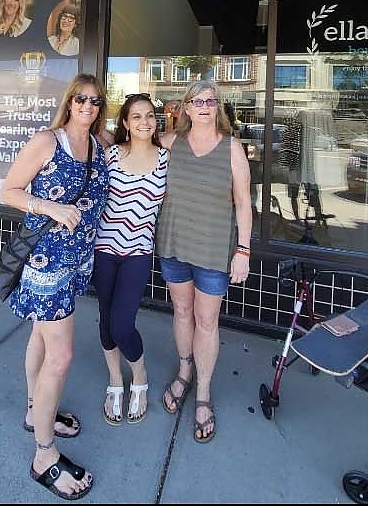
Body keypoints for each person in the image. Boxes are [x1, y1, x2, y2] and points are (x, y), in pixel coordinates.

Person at [1, 73, 109, 500]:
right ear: (69, 101)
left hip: (78, 263)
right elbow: (8, 189)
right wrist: (46, 205)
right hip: (47, 266)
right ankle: (44, 455)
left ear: (102, 107)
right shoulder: (47, 141)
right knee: (61, 356)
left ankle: (34, 412)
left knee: (42, 342)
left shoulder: (98, 148)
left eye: (96, 100)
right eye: (80, 98)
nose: (87, 105)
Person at [156, 79, 252, 443]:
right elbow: (131, 153)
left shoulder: (232, 148)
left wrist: (243, 251)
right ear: (185, 108)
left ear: (218, 107)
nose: (204, 106)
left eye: (210, 101)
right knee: (182, 312)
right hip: (175, 242)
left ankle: (204, 392)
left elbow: (243, 203)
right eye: (196, 101)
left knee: (207, 320)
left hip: (214, 249)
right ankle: (184, 372)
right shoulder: (168, 143)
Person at [92, 94, 168, 426]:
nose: (143, 122)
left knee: (123, 324)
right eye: (135, 117)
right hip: (104, 250)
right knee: (106, 321)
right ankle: (114, 382)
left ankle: (139, 376)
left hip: (138, 252)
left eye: (149, 116)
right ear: (125, 122)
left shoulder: (167, 157)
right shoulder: (110, 155)